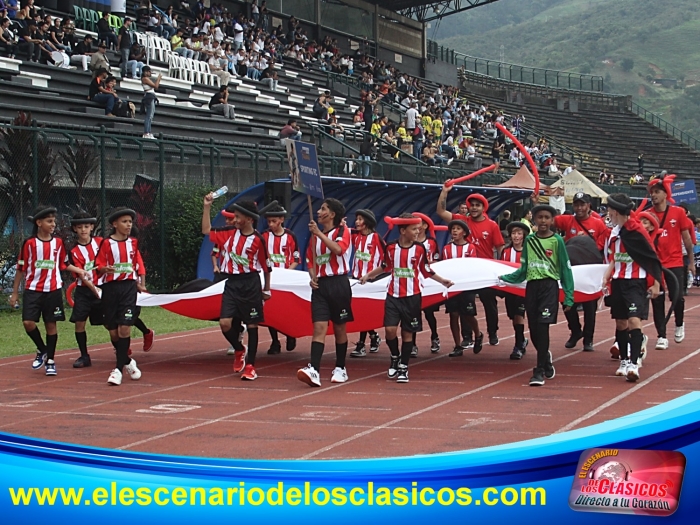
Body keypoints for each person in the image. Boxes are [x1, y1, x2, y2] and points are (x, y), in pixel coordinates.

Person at [359, 214, 453, 383]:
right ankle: (395, 356)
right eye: (414, 229)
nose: (418, 232)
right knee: (389, 330)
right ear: (403, 231)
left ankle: (403, 366)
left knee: (408, 333)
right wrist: (368, 275)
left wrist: (443, 280)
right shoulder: (391, 247)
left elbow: (426, 270)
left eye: (419, 228)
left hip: (412, 296)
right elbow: (385, 266)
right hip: (393, 295)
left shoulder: (419, 249)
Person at [499, 204, 575, 386]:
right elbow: (523, 269)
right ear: (534, 219)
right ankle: (545, 357)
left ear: (552, 220)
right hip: (532, 287)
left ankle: (539, 370)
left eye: (546, 218)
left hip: (549, 287)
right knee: (533, 328)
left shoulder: (557, 241)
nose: (543, 221)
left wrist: (569, 295)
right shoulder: (529, 241)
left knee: (543, 326)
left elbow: (565, 268)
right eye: (539, 217)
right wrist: (504, 278)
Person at [9, 205, 87, 376]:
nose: (53, 225)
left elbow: (63, 264)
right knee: (28, 323)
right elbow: (21, 268)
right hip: (33, 290)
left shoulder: (58, 243)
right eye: (49, 221)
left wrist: (79, 270)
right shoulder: (29, 244)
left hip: (53, 290)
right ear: (39, 222)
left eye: (54, 221)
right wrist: (15, 293)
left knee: (51, 325)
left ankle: (50, 360)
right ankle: (42, 349)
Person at [202, 196, 272, 381]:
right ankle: (239, 349)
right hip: (231, 283)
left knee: (252, 324)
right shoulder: (227, 233)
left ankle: (251, 366)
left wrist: (267, 288)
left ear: (249, 219)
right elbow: (206, 230)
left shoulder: (258, 240)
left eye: (238, 216)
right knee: (225, 323)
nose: (234, 219)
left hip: (250, 283)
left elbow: (266, 266)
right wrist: (207, 207)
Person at [603, 194, 662, 382]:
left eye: (610, 210)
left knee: (635, 321)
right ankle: (624, 360)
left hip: (636, 282)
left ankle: (634, 363)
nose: (608, 213)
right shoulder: (614, 232)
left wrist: (656, 283)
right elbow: (614, 257)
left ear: (616, 211)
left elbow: (652, 258)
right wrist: (607, 275)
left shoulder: (637, 231)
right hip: (618, 282)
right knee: (621, 323)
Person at [437, 185, 505, 345]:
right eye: (471, 205)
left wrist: (500, 268)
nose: (473, 208)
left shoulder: (492, 225)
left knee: (489, 302)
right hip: (465, 272)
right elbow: (441, 212)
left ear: (483, 208)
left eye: (477, 205)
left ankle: (492, 332)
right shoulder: (462, 221)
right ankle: (467, 336)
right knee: (464, 305)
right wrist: (444, 192)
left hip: (485, 271)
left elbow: (500, 247)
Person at [297, 198, 353, 387]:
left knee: (339, 328)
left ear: (332, 214)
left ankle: (341, 367)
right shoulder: (314, 237)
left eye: (323, 209)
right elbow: (311, 260)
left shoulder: (343, 231)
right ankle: (314, 369)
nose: (319, 212)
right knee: (319, 327)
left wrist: (319, 233)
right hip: (320, 286)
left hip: (338, 284)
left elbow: (338, 249)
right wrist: (312, 276)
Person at [94, 208, 145, 385]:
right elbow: (98, 264)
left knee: (125, 328)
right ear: (115, 224)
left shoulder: (133, 242)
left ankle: (117, 370)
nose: (129, 225)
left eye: (130, 221)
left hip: (128, 288)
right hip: (111, 289)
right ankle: (128, 361)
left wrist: (139, 282)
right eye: (124, 222)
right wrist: (103, 269)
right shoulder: (107, 243)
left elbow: (135, 265)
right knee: (113, 331)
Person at [551, 192, 608, 352]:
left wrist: (586, 243)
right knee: (567, 301)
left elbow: (603, 245)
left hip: (590, 269)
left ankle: (588, 339)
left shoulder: (598, 224)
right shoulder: (568, 220)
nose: (579, 208)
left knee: (590, 305)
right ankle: (575, 330)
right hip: (571, 268)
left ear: (589, 206)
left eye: (583, 204)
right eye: (576, 205)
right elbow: (548, 219)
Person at [647, 177, 695, 349]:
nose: (653, 195)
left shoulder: (678, 213)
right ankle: (661, 335)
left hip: (674, 261)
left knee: (677, 297)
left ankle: (679, 323)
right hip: (656, 263)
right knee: (656, 298)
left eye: (657, 192)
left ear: (666, 194)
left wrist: (690, 261)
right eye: (652, 192)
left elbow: (687, 237)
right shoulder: (648, 214)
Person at [67, 212, 104, 369]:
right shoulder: (73, 251)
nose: (83, 230)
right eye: (80, 227)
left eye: (86, 226)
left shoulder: (101, 243)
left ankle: (121, 351)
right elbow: (81, 275)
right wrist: (94, 289)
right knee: (79, 323)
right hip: (84, 291)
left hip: (103, 288)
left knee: (110, 323)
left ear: (92, 227)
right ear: (75, 229)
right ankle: (84, 356)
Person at [441, 218, 483, 357]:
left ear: (464, 232)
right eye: (453, 229)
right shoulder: (447, 249)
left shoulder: (470, 248)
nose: (454, 231)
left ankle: (478, 334)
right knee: (453, 315)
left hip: (466, 286)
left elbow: (472, 266)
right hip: (452, 286)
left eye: (458, 229)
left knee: (468, 314)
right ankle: (457, 345)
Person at [261, 204, 299, 354]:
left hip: (286, 279)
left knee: (286, 310)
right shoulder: (264, 236)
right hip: (270, 280)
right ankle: (275, 341)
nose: (271, 224)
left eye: (274, 221)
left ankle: (290, 333)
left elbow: (296, 258)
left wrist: (287, 273)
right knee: (270, 310)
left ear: (282, 219)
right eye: (269, 221)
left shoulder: (291, 236)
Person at [349, 209, 384, 358]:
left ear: (368, 222)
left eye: (360, 219)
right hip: (356, 278)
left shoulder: (376, 238)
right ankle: (374, 335)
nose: (357, 222)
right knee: (356, 311)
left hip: (371, 280)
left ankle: (362, 344)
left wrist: (372, 275)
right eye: (356, 219)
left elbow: (385, 259)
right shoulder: (355, 237)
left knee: (364, 311)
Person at [412, 217, 441, 356]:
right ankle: (412, 343)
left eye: (418, 224)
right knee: (412, 314)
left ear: (424, 225)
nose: (416, 228)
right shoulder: (410, 241)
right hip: (413, 282)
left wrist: (431, 262)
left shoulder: (431, 242)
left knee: (429, 313)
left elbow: (437, 259)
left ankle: (435, 336)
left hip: (428, 282)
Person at [502, 222, 529, 359]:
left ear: (524, 235)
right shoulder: (506, 251)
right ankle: (522, 339)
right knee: (513, 317)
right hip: (510, 290)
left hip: (524, 290)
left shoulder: (529, 250)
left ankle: (518, 345)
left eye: (519, 233)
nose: (516, 236)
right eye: (513, 233)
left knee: (519, 315)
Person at [140, 65, 161, 139]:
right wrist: (159, 79)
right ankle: (146, 132)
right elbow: (156, 86)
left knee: (150, 116)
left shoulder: (146, 79)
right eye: (148, 71)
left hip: (151, 96)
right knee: (149, 116)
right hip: (149, 96)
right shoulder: (145, 79)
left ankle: (148, 131)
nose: (150, 73)